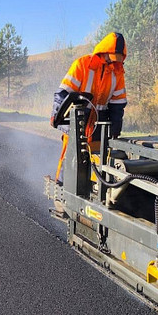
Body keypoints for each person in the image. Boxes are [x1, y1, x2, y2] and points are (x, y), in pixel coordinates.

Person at [50, 32, 128, 194]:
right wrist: (57, 114)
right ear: (103, 51)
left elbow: (118, 103)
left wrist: (115, 127)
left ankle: (91, 192)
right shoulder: (83, 64)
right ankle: (62, 189)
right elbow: (63, 92)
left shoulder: (117, 72)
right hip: (78, 120)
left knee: (97, 158)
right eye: (111, 57)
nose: (112, 61)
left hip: (100, 122)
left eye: (117, 58)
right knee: (70, 157)